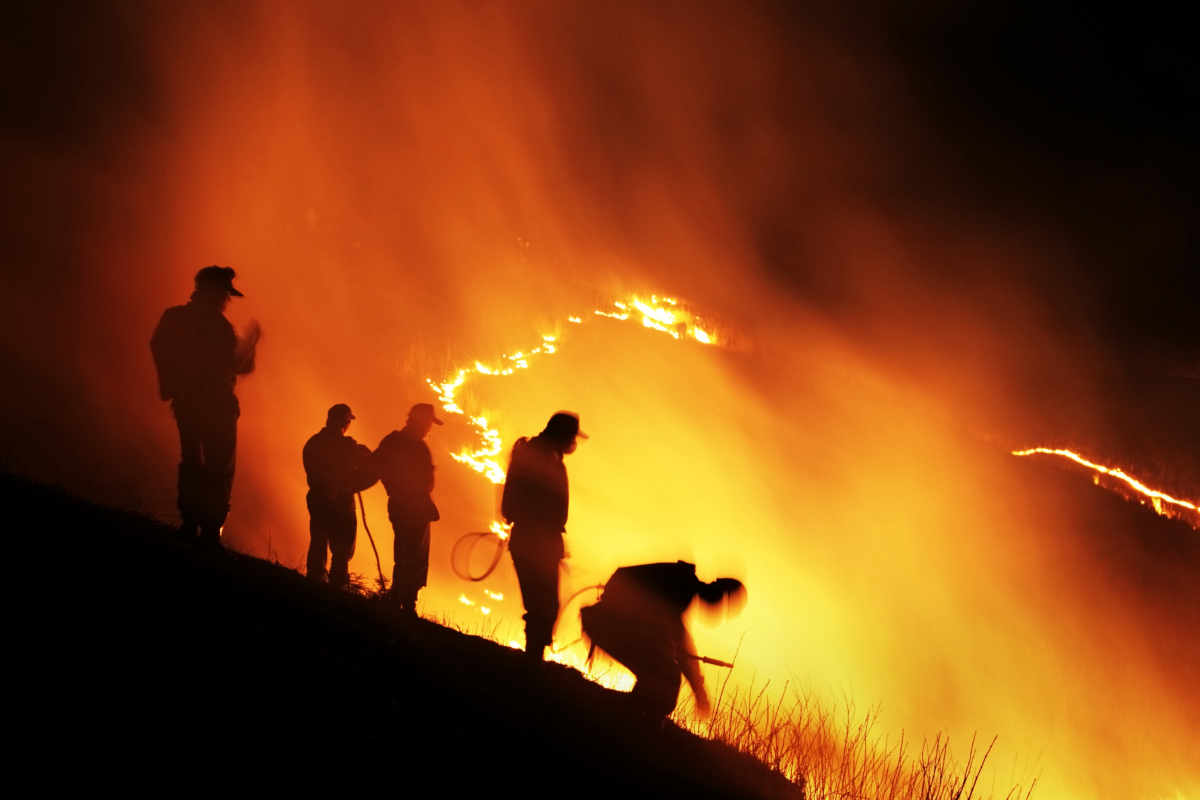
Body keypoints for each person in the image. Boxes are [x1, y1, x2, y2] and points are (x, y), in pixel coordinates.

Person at [150, 266, 259, 551]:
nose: (227, 300)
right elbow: (238, 365)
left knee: (192, 463)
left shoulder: (174, 317)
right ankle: (210, 534)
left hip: (186, 404)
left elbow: (158, 346)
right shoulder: (218, 327)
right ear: (213, 291)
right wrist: (251, 344)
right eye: (225, 294)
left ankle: (189, 525)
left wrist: (171, 387)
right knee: (218, 470)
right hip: (217, 408)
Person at [580, 561, 746, 721]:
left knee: (662, 673)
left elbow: (677, 639)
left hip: (604, 624)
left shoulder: (683, 585)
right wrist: (699, 690)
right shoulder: (682, 587)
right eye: (723, 604)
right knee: (665, 676)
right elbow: (680, 641)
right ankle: (626, 720)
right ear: (720, 592)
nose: (718, 609)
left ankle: (629, 717)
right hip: (607, 626)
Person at [500, 411, 586, 661]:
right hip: (536, 540)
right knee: (543, 604)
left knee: (543, 603)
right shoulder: (543, 456)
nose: (573, 442)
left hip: (535, 539)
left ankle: (534, 656)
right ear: (561, 434)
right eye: (571, 436)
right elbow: (542, 503)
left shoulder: (538, 453)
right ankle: (533, 660)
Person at [371, 403, 442, 616]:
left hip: (398, 505)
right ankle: (408, 604)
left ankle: (396, 597)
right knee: (414, 554)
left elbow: (372, 466)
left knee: (402, 551)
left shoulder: (392, 441)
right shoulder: (418, 447)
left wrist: (351, 483)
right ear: (421, 421)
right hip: (416, 508)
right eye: (430, 423)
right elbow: (425, 483)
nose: (431, 428)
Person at [302, 404, 377, 589]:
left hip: (318, 498)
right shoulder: (348, 447)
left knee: (318, 538)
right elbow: (374, 465)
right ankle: (337, 582)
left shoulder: (313, 443)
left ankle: (313, 578)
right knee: (342, 546)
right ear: (346, 423)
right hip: (342, 503)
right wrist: (354, 485)